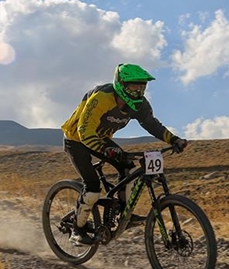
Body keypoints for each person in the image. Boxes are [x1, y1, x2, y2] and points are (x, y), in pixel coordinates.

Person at [61, 63, 188, 245]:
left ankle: (123, 213)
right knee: (93, 188)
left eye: (141, 87)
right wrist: (106, 150)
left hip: (101, 137)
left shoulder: (140, 105)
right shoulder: (102, 97)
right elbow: (84, 130)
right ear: (121, 84)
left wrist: (174, 140)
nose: (138, 91)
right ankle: (77, 229)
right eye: (134, 86)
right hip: (76, 139)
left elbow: (152, 124)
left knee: (128, 165)